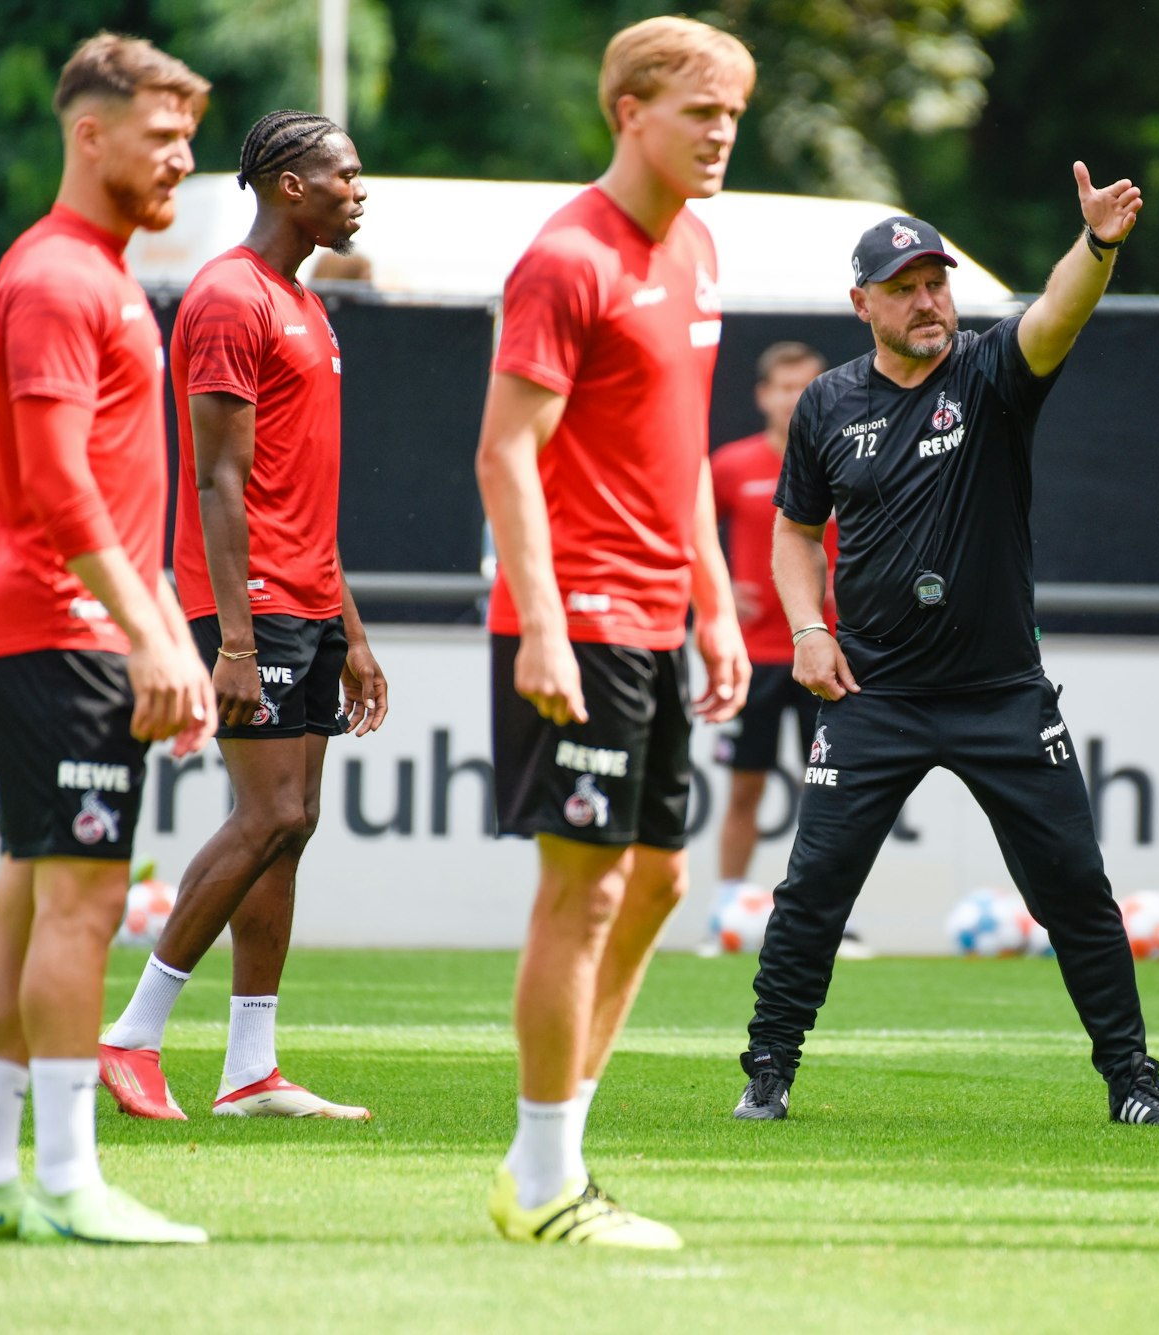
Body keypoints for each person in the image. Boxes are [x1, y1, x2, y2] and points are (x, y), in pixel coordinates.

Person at [732, 177, 1159, 1130]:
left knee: (1075, 889)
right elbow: (795, 531)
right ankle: (768, 1071)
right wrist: (808, 629)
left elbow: (1056, 314)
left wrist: (1096, 244)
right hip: (874, 692)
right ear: (863, 303)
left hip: (1000, 695)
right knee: (813, 889)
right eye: (904, 286)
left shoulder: (989, 375)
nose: (928, 299)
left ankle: (1134, 1085)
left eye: (936, 280)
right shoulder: (825, 403)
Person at [475, 16, 754, 1250]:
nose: (721, 135)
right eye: (702, 112)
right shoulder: (565, 257)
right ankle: (542, 1179)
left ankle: (554, 1157)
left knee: (658, 880)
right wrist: (539, 623)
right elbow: (503, 453)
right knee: (581, 893)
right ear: (628, 111)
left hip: (652, 616)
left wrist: (717, 602)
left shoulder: (695, 247)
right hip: (575, 616)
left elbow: (681, 449)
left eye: (734, 115)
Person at [0, 32, 217, 1246]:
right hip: (61, 630)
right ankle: (66, 1182)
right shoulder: (57, 279)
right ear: (88, 133)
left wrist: (161, 631)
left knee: (23, 903)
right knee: (80, 911)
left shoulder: (100, 275)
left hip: (69, 628)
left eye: (189, 138)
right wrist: (149, 636)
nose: (182, 161)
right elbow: (56, 488)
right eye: (162, 138)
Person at [98, 110, 386, 1123]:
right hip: (250, 604)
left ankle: (250, 1071)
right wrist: (234, 639)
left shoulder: (303, 304)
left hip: (305, 600)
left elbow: (303, 490)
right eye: (344, 174)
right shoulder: (226, 297)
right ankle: (129, 1036)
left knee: (290, 828)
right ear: (288, 184)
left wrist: (349, 631)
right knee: (269, 813)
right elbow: (217, 484)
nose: (361, 189)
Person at [702, 342, 870, 959]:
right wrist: (717, 594)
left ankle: (830, 921)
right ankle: (724, 914)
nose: (793, 398)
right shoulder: (731, 463)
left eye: (806, 385)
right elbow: (690, 534)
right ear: (762, 395)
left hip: (829, 653)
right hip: (753, 657)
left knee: (831, 792)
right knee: (744, 788)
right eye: (782, 386)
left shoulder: (852, 453)